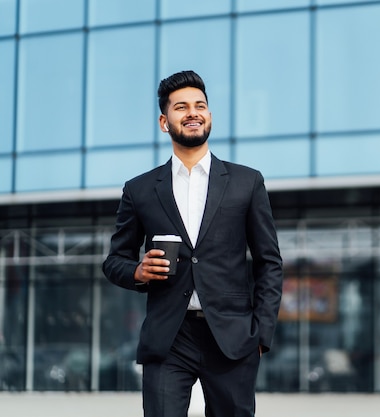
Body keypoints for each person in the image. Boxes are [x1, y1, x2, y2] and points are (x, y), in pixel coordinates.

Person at [102, 70, 283, 417]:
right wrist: (138, 271)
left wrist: (260, 332)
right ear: (163, 121)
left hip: (232, 336)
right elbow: (115, 260)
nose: (193, 113)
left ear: (210, 116)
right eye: (181, 107)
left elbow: (269, 261)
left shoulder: (247, 182)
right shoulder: (139, 190)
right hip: (169, 336)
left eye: (200, 105)